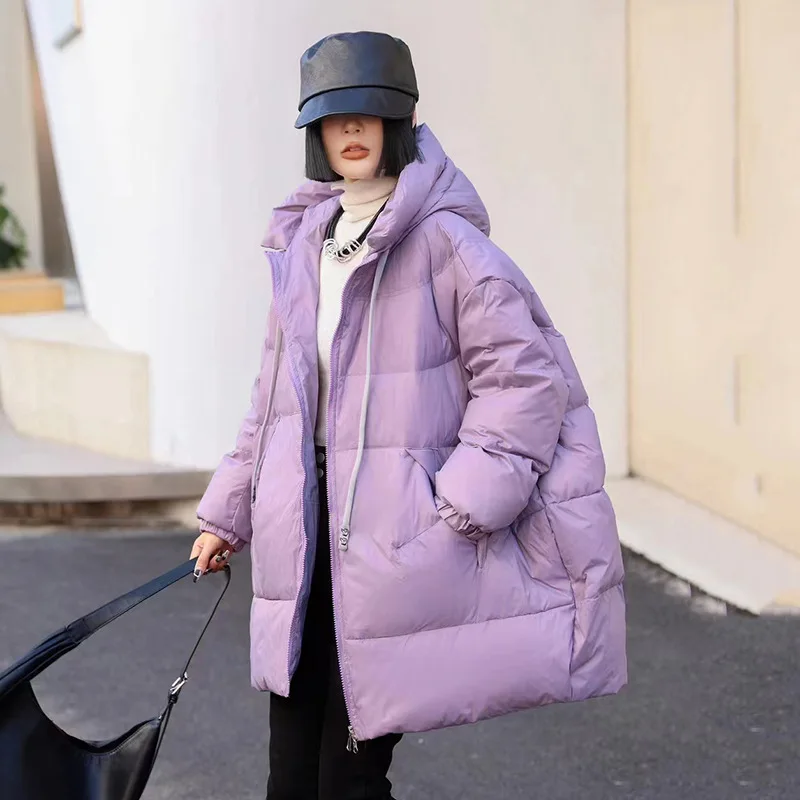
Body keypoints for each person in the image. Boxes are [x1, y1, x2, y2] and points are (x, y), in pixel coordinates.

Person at [190, 31, 627, 800]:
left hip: (394, 534)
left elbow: (525, 383)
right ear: (316, 133)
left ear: (398, 121)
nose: (352, 130)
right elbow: (273, 397)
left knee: (349, 779)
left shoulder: (446, 243)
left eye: (368, 113)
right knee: (288, 777)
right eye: (335, 117)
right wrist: (230, 511)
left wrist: (457, 506)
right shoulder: (304, 244)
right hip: (304, 527)